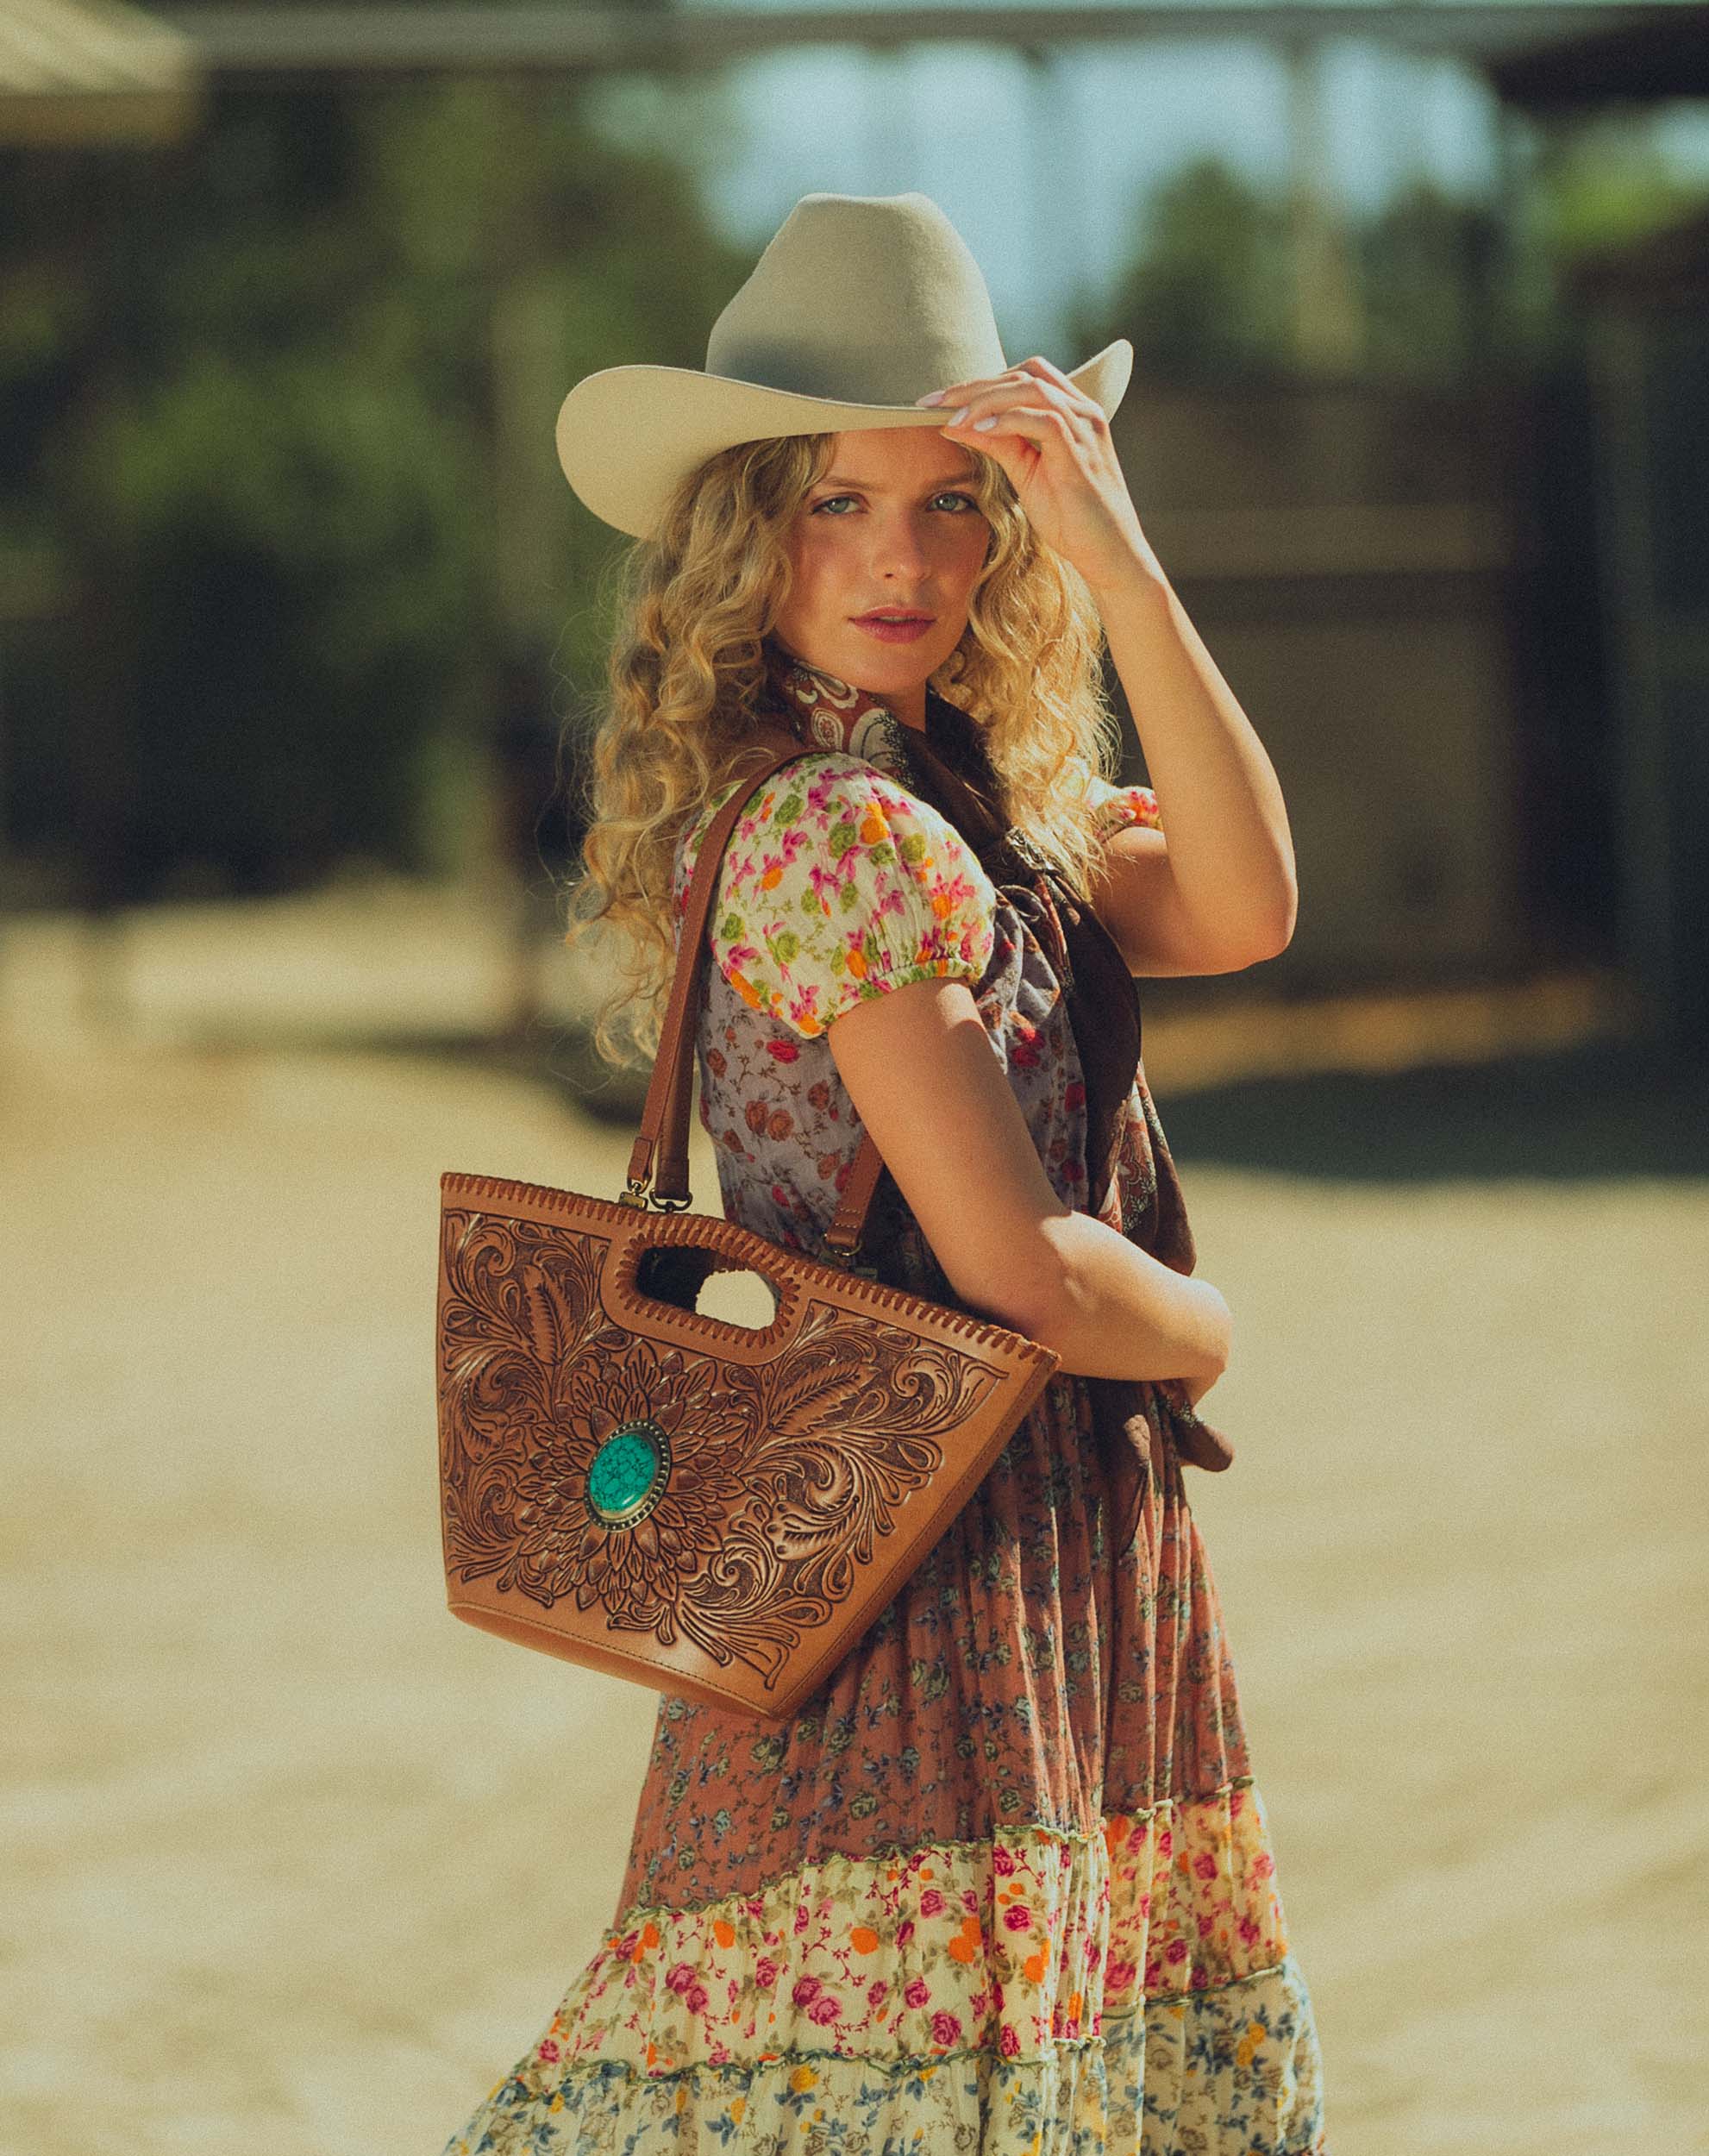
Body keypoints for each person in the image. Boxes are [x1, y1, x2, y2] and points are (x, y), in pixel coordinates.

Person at [440, 191, 1324, 2156]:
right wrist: (1204, 1327)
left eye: (954, 502)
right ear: (746, 531)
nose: (899, 557)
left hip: (1012, 1535)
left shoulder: (978, 806)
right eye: (837, 503)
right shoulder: (845, 832)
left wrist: (1117, 552)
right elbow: (1019, 1271)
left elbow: (1254, 897)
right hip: (923, 1576)